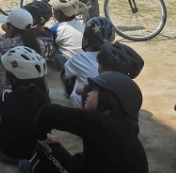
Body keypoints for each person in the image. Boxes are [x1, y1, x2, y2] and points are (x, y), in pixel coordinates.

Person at [18, 71, 148, 173]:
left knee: (46, 148)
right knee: (80, 158)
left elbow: (48, 112)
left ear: (108, 99)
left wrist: (41, 136)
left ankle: (31, 167)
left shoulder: (99, 123)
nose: (88, 93)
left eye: (95, 90)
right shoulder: (126, 127)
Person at [0, 46, 50, 163]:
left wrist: (5, 94)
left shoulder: (5, 98)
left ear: (12, 77)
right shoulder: (44, 97)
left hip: (8, 153)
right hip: (35, 152)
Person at [0, 8, 46, 102]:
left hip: (9, 89)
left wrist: (5, 35)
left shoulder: (8, 43)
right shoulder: (39, 43)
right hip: (36, 89)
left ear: (11, 28)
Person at [60, 17, 115, 108]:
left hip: (82, 108)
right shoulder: (114, 59)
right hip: (105, 107)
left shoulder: (79, 57)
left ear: (86, 40)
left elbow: (63, 74)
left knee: (68, 73)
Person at [47, 0, 84, 70]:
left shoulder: (56, 29)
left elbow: (47, 39)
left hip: (68, 64)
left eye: (54, 10)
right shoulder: (77, 22)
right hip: (82, 61)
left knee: (49, 46)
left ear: (59, 13)